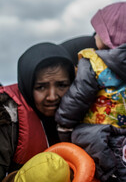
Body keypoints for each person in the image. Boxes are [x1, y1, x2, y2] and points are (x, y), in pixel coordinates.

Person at [55, 1, 126, 182]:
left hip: (102, 133)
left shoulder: (93, 63)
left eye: (99, 33)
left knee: (110, 172)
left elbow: (78, 98)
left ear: (108, 38)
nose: (94, 37)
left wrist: (63, 125)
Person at [0, 42, 75, 180]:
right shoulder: (6, 117)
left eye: (62, 85)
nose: (52, 96)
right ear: (27, 85)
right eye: (41, 87)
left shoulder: (90, 113)